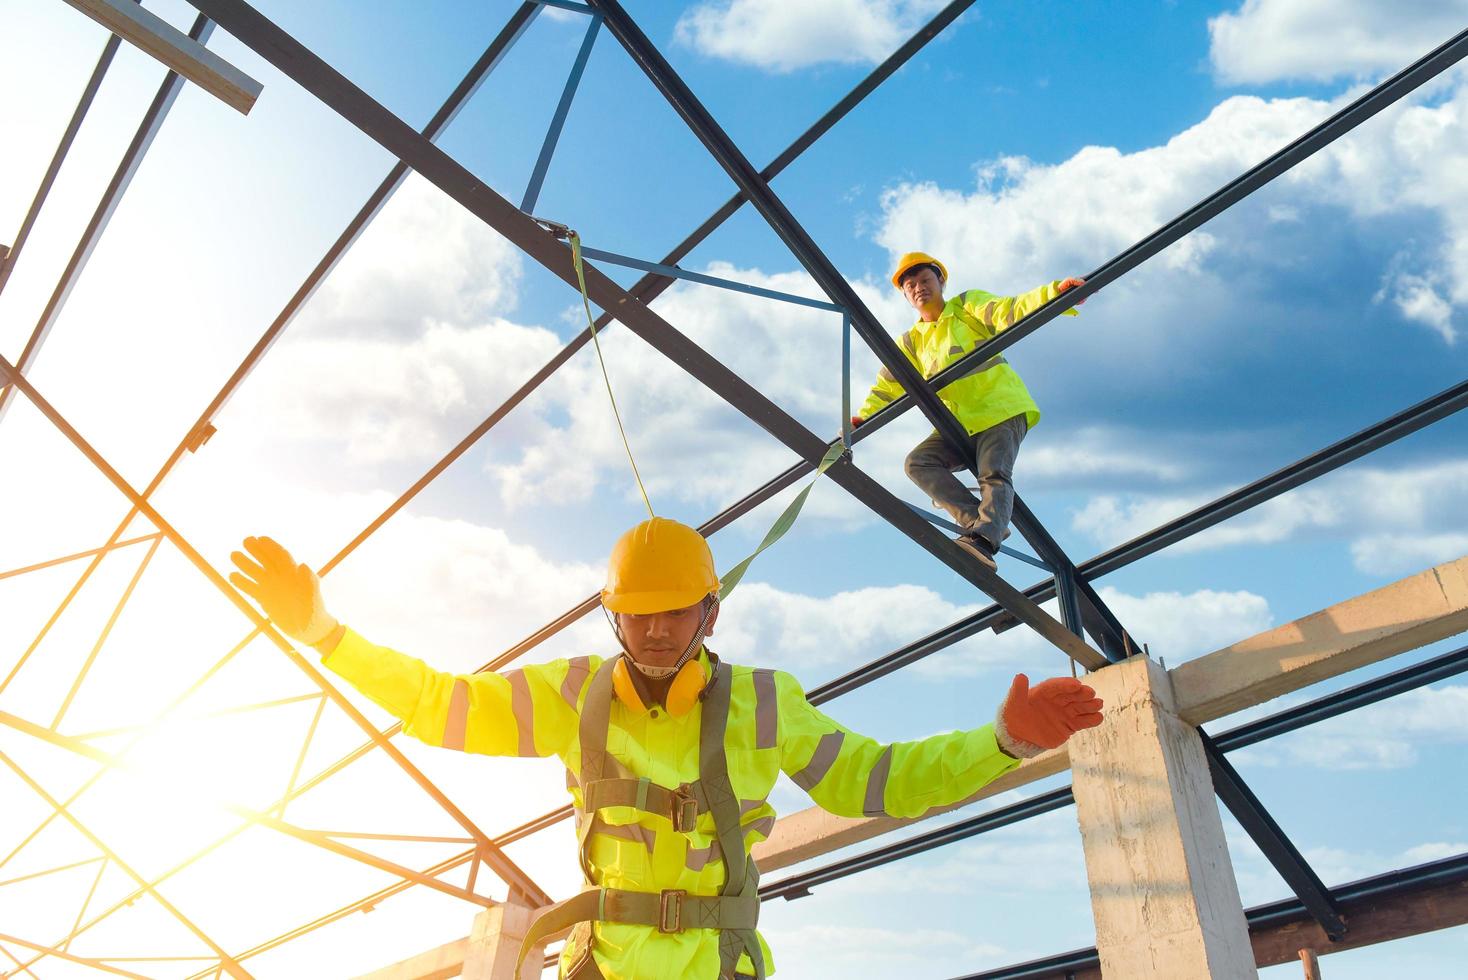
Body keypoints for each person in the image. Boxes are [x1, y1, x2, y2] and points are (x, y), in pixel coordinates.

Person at [229, 518, 1103, 979]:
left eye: (673, 610)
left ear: (711, 613)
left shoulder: (768, 704)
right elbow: (439, 706)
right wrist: (326, 634)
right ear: (613, 613)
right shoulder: (571, 697)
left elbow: (880, 781)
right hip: (602, 972)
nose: (651, 629)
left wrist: (1000, 742)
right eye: (635, 612)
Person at [853, 252, 1086, 568]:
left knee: (994, 474)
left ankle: (983, 542)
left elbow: (1010, 310)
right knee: (918, 463)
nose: (919, 287)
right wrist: (862, 420)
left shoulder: (965, 308)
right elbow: (887, 386)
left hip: (999, 408)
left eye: (925, 280)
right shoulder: (911, 343)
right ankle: (982, 523)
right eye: (910, 285)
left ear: (941, 282)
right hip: (959, 422)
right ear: (905, 296)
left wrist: (1055, 293)